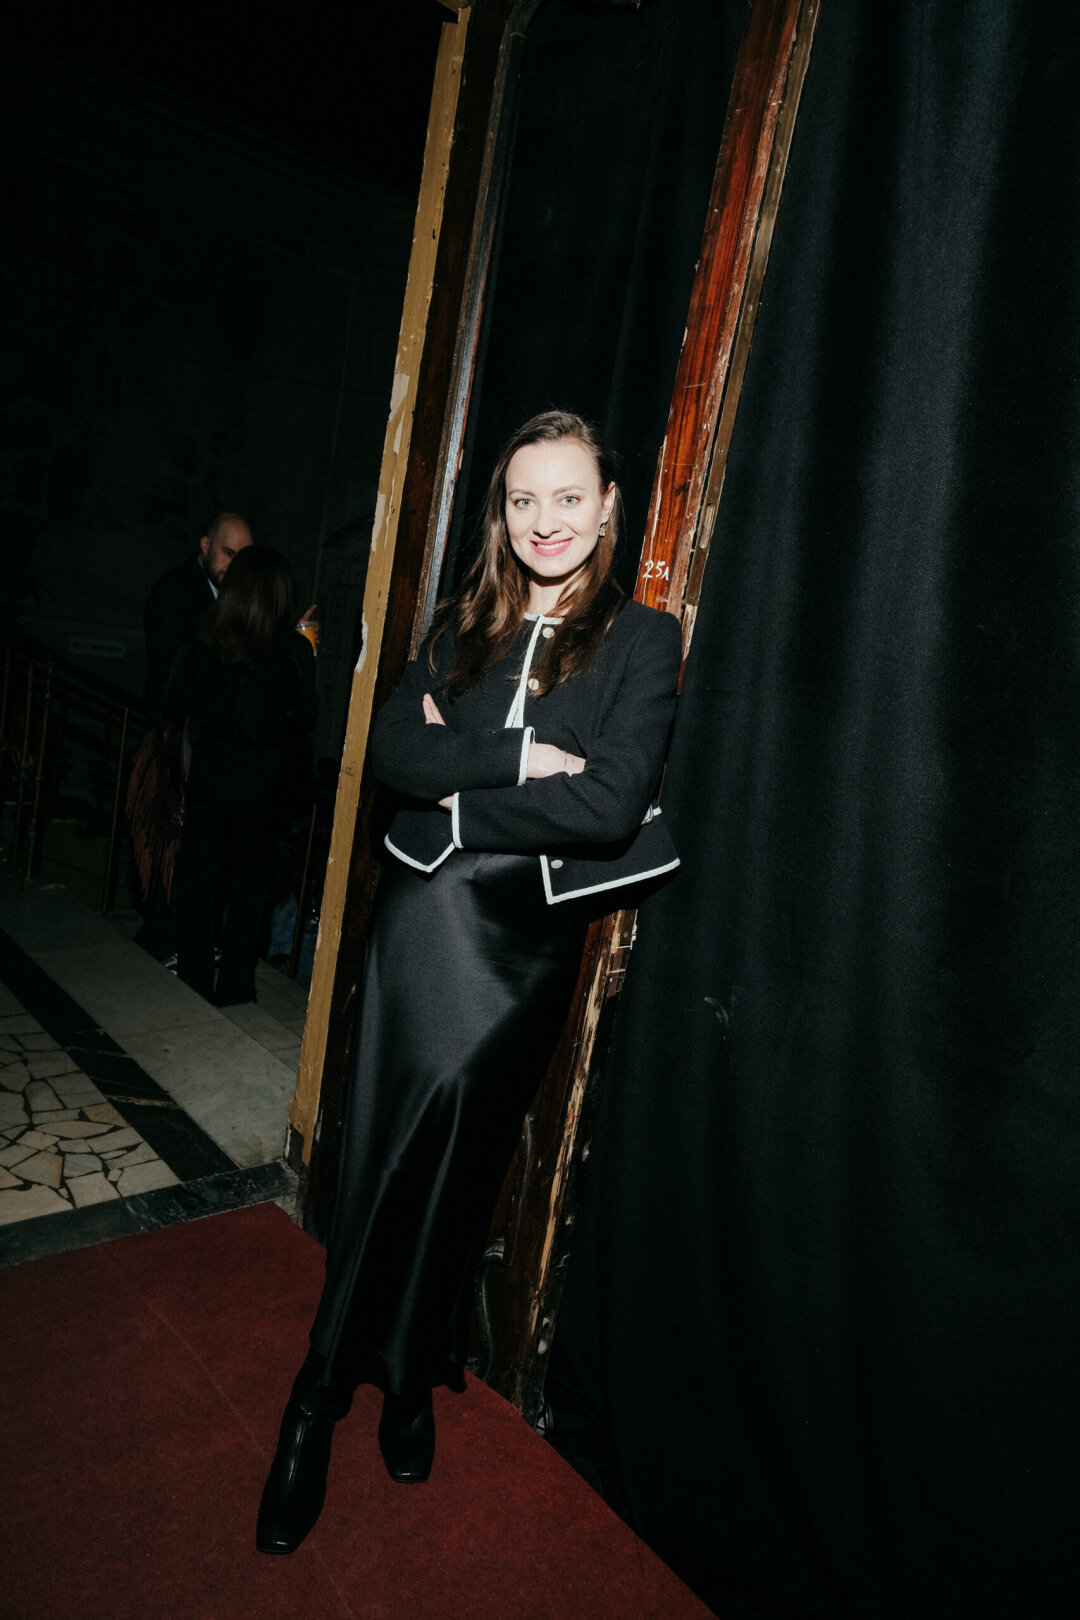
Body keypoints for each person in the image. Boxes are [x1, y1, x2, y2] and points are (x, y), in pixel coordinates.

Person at [256, 410, 682, 1555]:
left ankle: (407, 1374)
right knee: (384, 1158)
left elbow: (610, 804)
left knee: (460, 1173)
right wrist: (518, 757)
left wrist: (460, 791)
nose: (545, 522)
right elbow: (395, 752)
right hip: (424, 926)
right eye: (523, 500)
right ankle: (314, 1397)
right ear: (503, 511)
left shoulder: (642, 640)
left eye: (568, 498)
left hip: (525, 947)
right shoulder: (463, 624)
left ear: (607, 506)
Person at [169, 546, 317, 1007]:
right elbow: (305, 720)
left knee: (200, 884)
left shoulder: (204, 641)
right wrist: (308, 651)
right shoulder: (291, 651)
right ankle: (235, 985)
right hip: (261, 788)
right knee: (251, 889)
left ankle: (194, 978)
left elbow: (178, 704)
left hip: (210, 779)